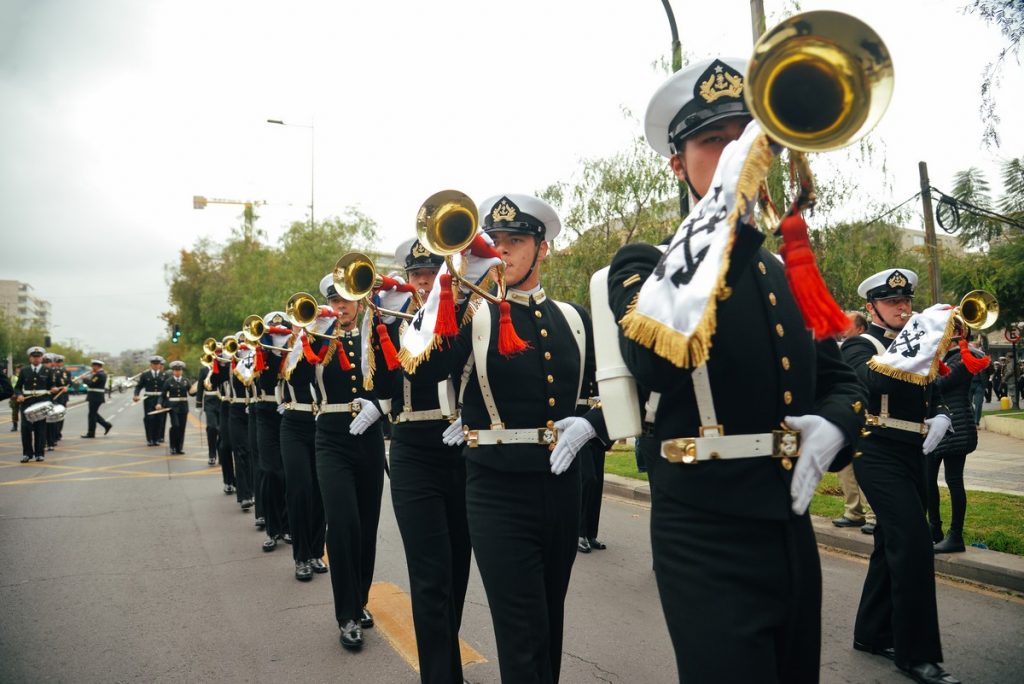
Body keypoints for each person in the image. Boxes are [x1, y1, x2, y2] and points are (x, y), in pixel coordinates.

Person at [605, 57, 865, 683]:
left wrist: (836, 426)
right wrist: (732, 225)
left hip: (790, 524)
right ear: (678, 164)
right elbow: (654, 362)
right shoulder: (645, 264)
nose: (730, 153)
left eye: (742, 138)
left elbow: (840, 377)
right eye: (711, 141)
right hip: (703, 526)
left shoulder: (783, 269)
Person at [405, 193, 602, 682]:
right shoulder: (471, 312)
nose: (505, 251)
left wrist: (592, 428)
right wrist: (456, 287)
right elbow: (426, 367)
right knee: (521, 633)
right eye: (497, 241)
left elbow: (606, 396)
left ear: (543, 250)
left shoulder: (574, 319)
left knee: (550, 625)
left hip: (561, 488)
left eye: (517, 241)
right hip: (496, 492)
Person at [842, 268, 960, 684]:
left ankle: (871, 633)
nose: (902, 307)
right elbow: (866, 381)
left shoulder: (917, 347)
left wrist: (943, 415)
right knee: (913, 545)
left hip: (915, 451)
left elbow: (936, 392)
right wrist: (921, 335)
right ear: (871, 307)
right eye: (892, 302)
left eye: (907, 301)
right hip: (875, 451)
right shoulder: (861, 345)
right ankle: (917, 655)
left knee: (892, 543)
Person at [372, 238, 472, 683]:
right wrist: (377, 316)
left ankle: (445, 659)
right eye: (417, 275)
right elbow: (385, 383)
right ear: (408, 279)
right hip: (412, 444)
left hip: (459, 442)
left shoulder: (466, 312)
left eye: (433, 273)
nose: (425, 281)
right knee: (430, 572)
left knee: (459, 565)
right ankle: (440, 675)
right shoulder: (392, 323)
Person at [312, 273, 386, 651]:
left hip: (369, 439)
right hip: (332, 439)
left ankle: (360, 599)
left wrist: (381, 408)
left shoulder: (375, 334)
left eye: (346, 301)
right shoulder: (315, 338)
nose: (340, 308)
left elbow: (393, 379)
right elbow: (291, 376)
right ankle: (347, 616)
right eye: (334, 302)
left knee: (367, 526)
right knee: (342, 525)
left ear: (360, 302)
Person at [927, 332, 987, 553]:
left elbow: (940, 384)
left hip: (957, 427)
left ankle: (955, 535)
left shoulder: (965, 357)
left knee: (953, 481)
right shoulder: (945, 357)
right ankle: (934, 529)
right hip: (939, 427)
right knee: (927, 480)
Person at [280, 313, 328, 582]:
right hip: (294, 424)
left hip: (321, 422)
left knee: (320, 489)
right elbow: (293, 375)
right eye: (298, 321)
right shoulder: (285, 348)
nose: (303, 326)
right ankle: (301, 555)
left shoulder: (324, 342)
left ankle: (316, 551)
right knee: (299, 489)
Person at [252, 311, 291, 553]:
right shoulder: (258, 354)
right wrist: (273, 352)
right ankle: (272, 528)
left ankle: (288, 525)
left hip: (288, 412)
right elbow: (263, 382)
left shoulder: (296, 348)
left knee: (288, 472)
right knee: (269, 471)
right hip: (265, 412)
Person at [834, 311, 875, 531]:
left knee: (869, 467)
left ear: (860, 328)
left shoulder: (869, 346)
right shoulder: (840, 348)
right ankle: (853, 512)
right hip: (846, 413)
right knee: (845, 466)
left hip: (868, 415)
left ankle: (874, 515)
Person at [16, 347, 56, 462]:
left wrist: (53, 388)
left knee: (40, 428)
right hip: (27, 402)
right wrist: (19, 395)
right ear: (30, 358)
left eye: (38, 357)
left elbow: (51, 386)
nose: (36, 359)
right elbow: (18, 387)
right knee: (25, 428)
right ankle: (27, 454)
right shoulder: (24, 371)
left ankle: (39, 453)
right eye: (34, 357)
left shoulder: (48, 371)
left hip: (41, 402)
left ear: (41, 358)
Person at [156, 360, 191, 454]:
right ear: (173, 371)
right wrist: (159, 403)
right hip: (173, 407)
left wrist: (197, 388)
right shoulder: (168, 381)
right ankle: (172, 447)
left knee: (182, 428)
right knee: (175, 426)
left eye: (179, 370)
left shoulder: (186, 381)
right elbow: (162, 395)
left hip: (183, 407)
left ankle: (179, 448)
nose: (178, 372)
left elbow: (191, 393)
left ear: (182, 371)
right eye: (176, 370)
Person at [195, 355, 221, 467]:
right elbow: (200, 387)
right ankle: (212, 454)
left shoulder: (222, 366)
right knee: (212, 427)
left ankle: (222, 454)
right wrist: (199, 404)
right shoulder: (204, 370)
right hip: (210, 401)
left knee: (222, 430)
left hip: (222, 401)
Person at [134, 356, 166, 446]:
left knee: (159, 419)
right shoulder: (145, 375)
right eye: (154, 364)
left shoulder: (164, 375)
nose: (156, 366)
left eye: (157, 364)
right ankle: (150, 439)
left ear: (160, 365)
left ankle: (156, 439)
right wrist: (136, 395)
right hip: (148, 399)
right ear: (151, 365)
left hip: (160, 399)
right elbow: (139, 386)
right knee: (149, 419)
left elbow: (167, 388)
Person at [81, 360, 112, 438]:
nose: (92, 368)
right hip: (95, 396)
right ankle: (106, 425)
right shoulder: (98, 374)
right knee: (93, 414)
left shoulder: (99, 374)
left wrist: (84, 379)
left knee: (92, 415)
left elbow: (91, 384)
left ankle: (91, 433)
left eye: (93, 366)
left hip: (95, 397)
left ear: (97, 366)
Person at [50, 355, 70, 444]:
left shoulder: (66, 371)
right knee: (54, 415)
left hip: (63, 396)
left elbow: (69, 382)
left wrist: (68, 387)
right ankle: (54, 434)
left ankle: (58, 433)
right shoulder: (52, 371)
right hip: (55, 395)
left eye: (60, 361)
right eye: (57, 362)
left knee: (61, 415)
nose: (59, 363)